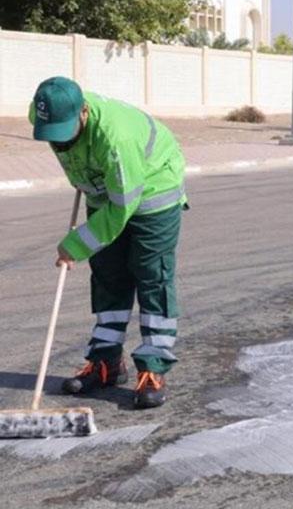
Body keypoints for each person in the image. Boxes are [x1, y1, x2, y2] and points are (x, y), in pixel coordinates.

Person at [29, 76, 186, 409]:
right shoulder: (43, 112)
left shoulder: (117, 141)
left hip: (153, 189)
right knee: (108, 274)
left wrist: (75, 245)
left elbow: (121, 208)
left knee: (150, 274)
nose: (57, 143)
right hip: (105, 189)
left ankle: (153, 368)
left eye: (63, 132)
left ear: (84, 112)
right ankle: (106, 364)